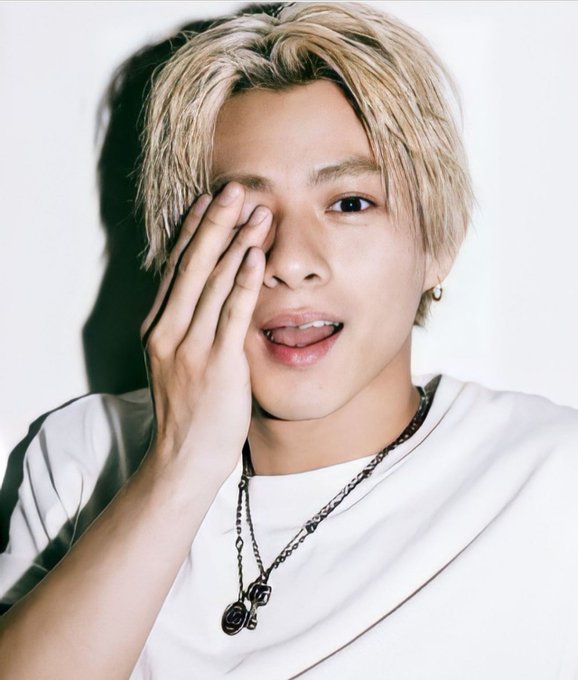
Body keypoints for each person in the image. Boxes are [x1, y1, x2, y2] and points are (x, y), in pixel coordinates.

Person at [0, 2, 577, 678]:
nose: (291, 260)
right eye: (244, 213)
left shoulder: (551, 482)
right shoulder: (83, 456)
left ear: (438, 246)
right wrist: (179, 468)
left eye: (350, 203)